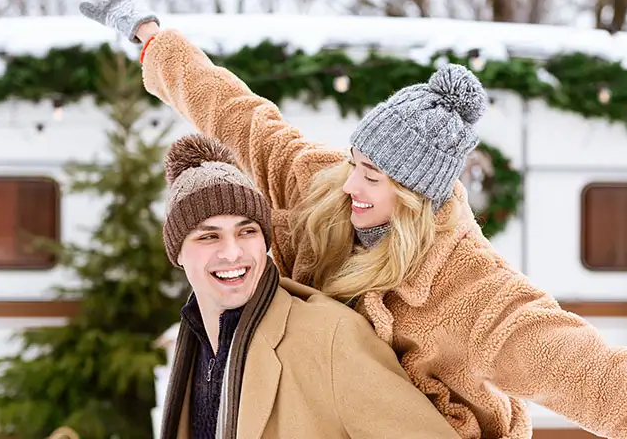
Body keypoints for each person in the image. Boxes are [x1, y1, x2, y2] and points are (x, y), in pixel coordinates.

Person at [80, 3, 627, 438]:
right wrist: (148, 38)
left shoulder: (464, 282)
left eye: (373, 179)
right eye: (355, 162)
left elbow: (572, 358)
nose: (351, 185)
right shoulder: (321, 184)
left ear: (415, 197)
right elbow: (234, 109)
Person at [155, 133, 462, 439]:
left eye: (247, 231)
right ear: (177, 252)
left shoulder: (331, 338)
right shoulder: (194, 344)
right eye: (209, 236)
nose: (232, 252)